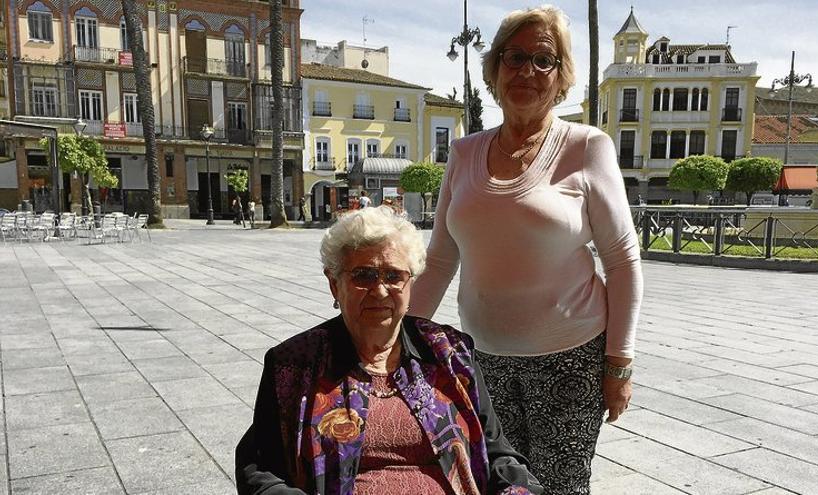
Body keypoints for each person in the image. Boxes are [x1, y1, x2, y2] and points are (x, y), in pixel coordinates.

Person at [409, 6, 643, 494]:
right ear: (495, 69)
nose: (527, 72)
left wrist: (618, 364)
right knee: (496, 482)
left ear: (561, 77)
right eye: (515, 57)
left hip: (571, 357)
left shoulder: (586, 146)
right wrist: (395, 339)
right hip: (481, 358)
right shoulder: (464, 152)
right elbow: (439, 261)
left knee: (559, 485)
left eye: (544, 60)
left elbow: (622, 261)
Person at [236, 207, 543, 495]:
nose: (380, 290)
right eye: (363, 275)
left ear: (410, 284)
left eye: (394, 276)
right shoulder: (294, 364)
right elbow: (261, 469)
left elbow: (498, 453)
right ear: (334, 285)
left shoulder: (451, 353)